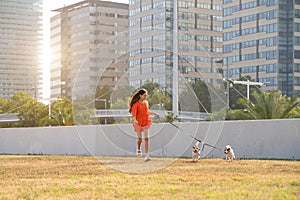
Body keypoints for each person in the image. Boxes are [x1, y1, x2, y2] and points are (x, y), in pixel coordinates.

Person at [128, 89, 159, 162]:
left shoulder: (146, 103)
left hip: (145, 121)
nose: (146, 97)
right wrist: (135, 120)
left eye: (146, 95)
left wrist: (155, 114)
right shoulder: (136, 104)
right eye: (144, 95)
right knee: (140, 139)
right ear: (140, 95)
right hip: (138, 123)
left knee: (147, 138)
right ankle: (138, 148)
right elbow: (134, 115)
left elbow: (147, 112)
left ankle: (147, 155)